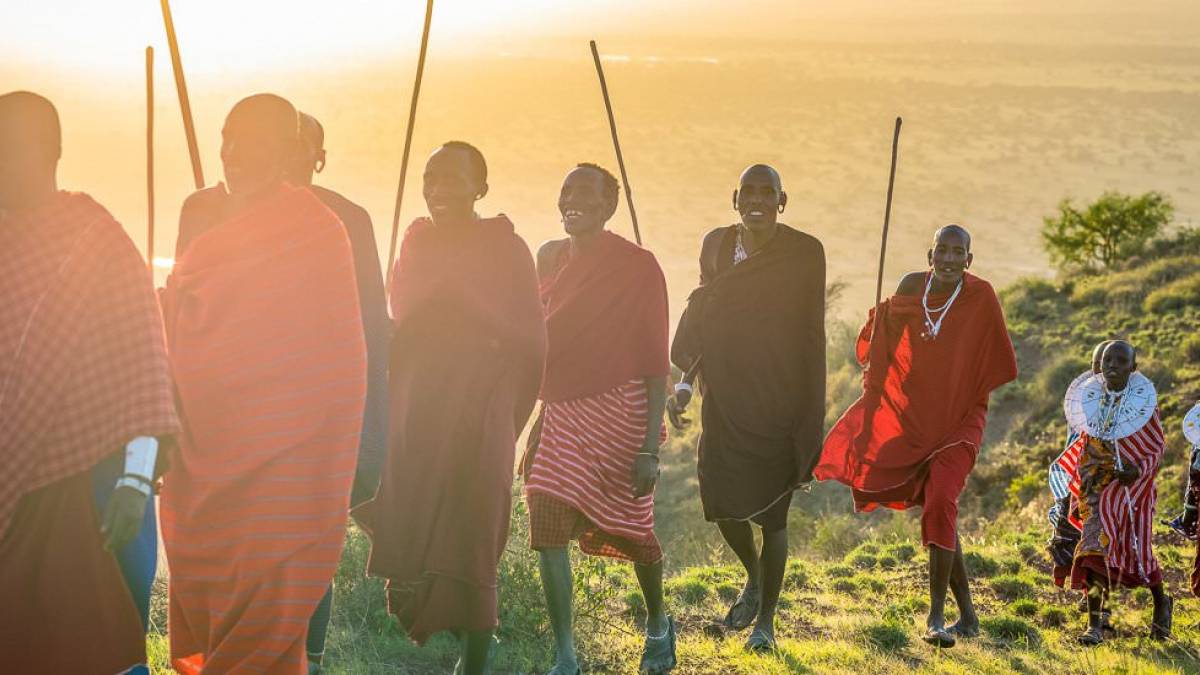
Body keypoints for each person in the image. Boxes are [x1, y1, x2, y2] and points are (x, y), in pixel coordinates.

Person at [160, 94, 367, 674]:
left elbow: (340, 357)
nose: (232, 153)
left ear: (285, 153)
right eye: (227, 137)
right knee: (210, 597)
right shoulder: (200, 212)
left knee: (269, 613)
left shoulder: (317, 232)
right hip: (204, 449)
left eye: (251, 141)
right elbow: (183, 316)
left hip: (284, 456)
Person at [0, 90, 179, 673]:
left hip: (96, 479)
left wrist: (134, 477)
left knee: (101, 638)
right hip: (9, 481)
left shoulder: (93, 239)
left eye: (12, 149)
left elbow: (144, 364)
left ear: (52, 152)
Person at [352, 141, 546, 675]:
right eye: (430, 178)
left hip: (482, 408)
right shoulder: (416, 238)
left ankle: (475, 664)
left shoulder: (507, 248)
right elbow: (402, 308)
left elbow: (531, 339)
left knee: (475, 533)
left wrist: (507, 411)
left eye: (453, 180)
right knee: (401, 509)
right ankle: (432, 609)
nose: (439, 190)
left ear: (481, 187)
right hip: (419, 405)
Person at [815, 225, 1018, 648]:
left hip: (962, 417)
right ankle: (969, 616)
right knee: (938, 507)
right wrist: (880, 331)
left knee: (942, 499)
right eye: (941, 250)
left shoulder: (981, 297)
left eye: (956, 251)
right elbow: (887, 339)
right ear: (930, 254)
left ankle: (936, 615)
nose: (947, 258)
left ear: (969, 259)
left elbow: (994, 359)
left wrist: (957, 388)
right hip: (916, 414)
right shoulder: (912, 285)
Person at [522, 164, 674, 674]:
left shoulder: (638, 266)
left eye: (586, 194)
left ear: (610, 207)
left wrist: (649, 446)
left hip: (622, 413)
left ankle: (658, 622)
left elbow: (656, 359)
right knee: (545, 517)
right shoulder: (549, 257)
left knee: (634, 531)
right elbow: (530, 331)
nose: (573, 201)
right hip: (562, 408)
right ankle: (566, 655)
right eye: (566, 190)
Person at [668, 164, 826, 652]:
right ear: (735, 197)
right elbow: (706, 318)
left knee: (774, 516)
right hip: (725, 396)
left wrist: (808, 416)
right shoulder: (716, 245)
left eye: (768, 192)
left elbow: (809, 333)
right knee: (720, 502)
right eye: (748, 192)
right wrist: (684, 385)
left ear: (783, 201)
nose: (756, 200)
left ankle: (767, 623)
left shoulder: (804, 253)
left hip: (779, 398)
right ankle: (752, 575)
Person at [287, 110, 391, 673]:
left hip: (327, 407)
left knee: (314, 543)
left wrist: (372, 428)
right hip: (251, 409)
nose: (285, 156)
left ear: (318, 156)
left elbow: (373, 325)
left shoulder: (349, 219)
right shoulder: (226, 211)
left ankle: (311, 660)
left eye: (298, 146)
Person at [1055, 341, 1171, 645]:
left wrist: (1135, 471)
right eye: (1108, 360)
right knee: (1094, 549)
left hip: (1129, 489)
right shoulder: (1092, 399)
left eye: (1121, 361)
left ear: (1133, 369)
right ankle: (1096, 625)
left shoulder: (1142, 403)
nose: (1113, 366)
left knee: (1138, 552)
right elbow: (1084, 441)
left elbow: (1155, 447)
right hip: (1095, 488)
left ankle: (1161, 600)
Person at [1048, 341, 1114, 632]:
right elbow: (1071, 444)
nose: (1100, 372)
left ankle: (1102, 614)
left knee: (1100, 549)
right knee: (1079, 544)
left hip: (1111, 487)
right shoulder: (1082, 400)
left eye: (1105, 366)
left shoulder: (1127, 407)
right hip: (1081, 485)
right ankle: (1095, 602)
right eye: (1096, 366)